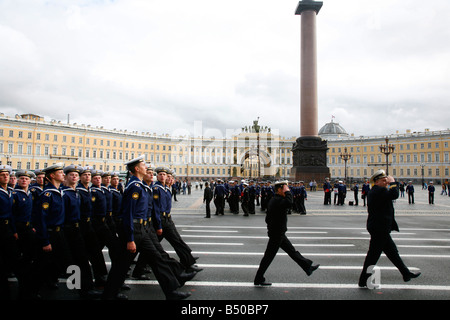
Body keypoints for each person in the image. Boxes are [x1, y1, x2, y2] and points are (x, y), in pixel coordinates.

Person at [102, 156, 192, 300]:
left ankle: (172, 291)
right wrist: (130, 239)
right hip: (134, 232)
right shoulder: (134, 187)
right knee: (121, 266)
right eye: (144, 165)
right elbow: (128, 214)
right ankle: (109, 295)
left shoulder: (141, 186)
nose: (146, 167)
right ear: (137, 169)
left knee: (157, 259)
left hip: (143, 231)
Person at [358, 170, 420, 288]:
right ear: (376, 182)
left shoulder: (377, 190)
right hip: (379, 228)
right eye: (384, 180)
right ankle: (363, 281)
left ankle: (406, 274)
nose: (386, 182)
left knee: (392, 253)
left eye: (386, 180)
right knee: (373, 256)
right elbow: (394, 194)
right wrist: (393, 182)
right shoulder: (378, 191)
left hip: (380, 227)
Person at [254, 180, 319, 286]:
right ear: (279, 190)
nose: (286, 191)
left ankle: (308, 267)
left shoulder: (275, 199)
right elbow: (290, 203)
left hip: (278, 233)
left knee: (292, 251)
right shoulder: (278, 200)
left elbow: (267, 218)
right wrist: (288, 192)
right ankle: (258, 278)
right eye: (284, 189)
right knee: (269, 256)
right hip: (277, 233)